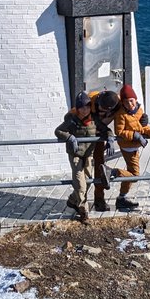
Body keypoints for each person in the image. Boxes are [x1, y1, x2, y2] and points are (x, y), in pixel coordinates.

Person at [110, 82, 150, 209]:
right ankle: (113, 172)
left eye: (131, 101)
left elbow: (143, 128)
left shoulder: (139, 110)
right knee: (135, 175)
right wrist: (136, 136)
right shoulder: (121, 114)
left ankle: (122, 198)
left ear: (135, 99)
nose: (129, 104)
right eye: (126, 102)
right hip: (128, 146)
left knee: (131, 174)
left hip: (134, 146)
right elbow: (119, 132)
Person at [54, 91, 100, 223]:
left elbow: (104, 128)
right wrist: (70, 137)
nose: (84, 110)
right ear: (77, 108)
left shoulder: (94, 119)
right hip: (75, 154)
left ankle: (73, 200)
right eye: (81, 107)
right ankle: (83, 210)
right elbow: (58, 131)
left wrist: (110, 138)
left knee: (88, 181)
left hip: (88, 154)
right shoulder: (72, 120)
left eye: (87, 107)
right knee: (80, 182)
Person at [88, 88, 122, 212]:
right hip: (86, 134)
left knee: (100, 165)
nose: (101, 111)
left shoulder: (118, 102)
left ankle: (99, 199)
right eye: (101, 108)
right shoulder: (90, 100)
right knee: (82, 168)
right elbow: (94, 121)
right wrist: (110, 134)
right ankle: (78, 198)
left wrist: (142, 117)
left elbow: (132, 107)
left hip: (100, 136)